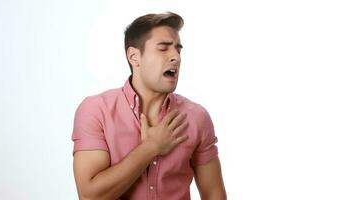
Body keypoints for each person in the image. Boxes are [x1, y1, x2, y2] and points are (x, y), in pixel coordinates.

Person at [72, 12, 227, 200]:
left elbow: (214, 194)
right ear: (134, 56)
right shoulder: (95, 111)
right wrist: (151, 147)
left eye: (178, 50)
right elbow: (90, 197)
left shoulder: (196, 117)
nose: (176, 57)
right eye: (163, 48)